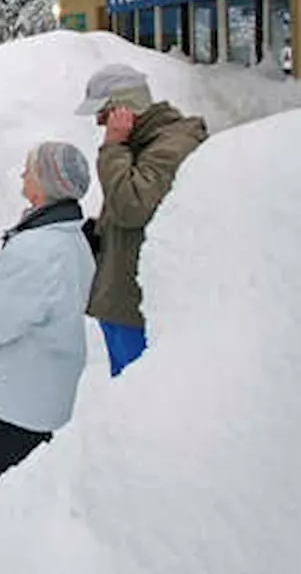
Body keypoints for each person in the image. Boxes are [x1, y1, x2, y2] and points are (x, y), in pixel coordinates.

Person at [0, 141, 96, 503]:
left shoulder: (39, 249)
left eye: (29, 169)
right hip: (41, 390)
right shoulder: (68, 237)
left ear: (46, 183)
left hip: (17, 400)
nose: (22, 174)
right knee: (25, 493)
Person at [74, 64, 207, 377]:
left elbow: (132, 206)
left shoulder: (170, 147)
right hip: (122, 299)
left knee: (138, 392)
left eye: (103, 114)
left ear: (124, 109)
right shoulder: (144, 145)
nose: (98, 123)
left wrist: (113, 146)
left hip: (137, 305)